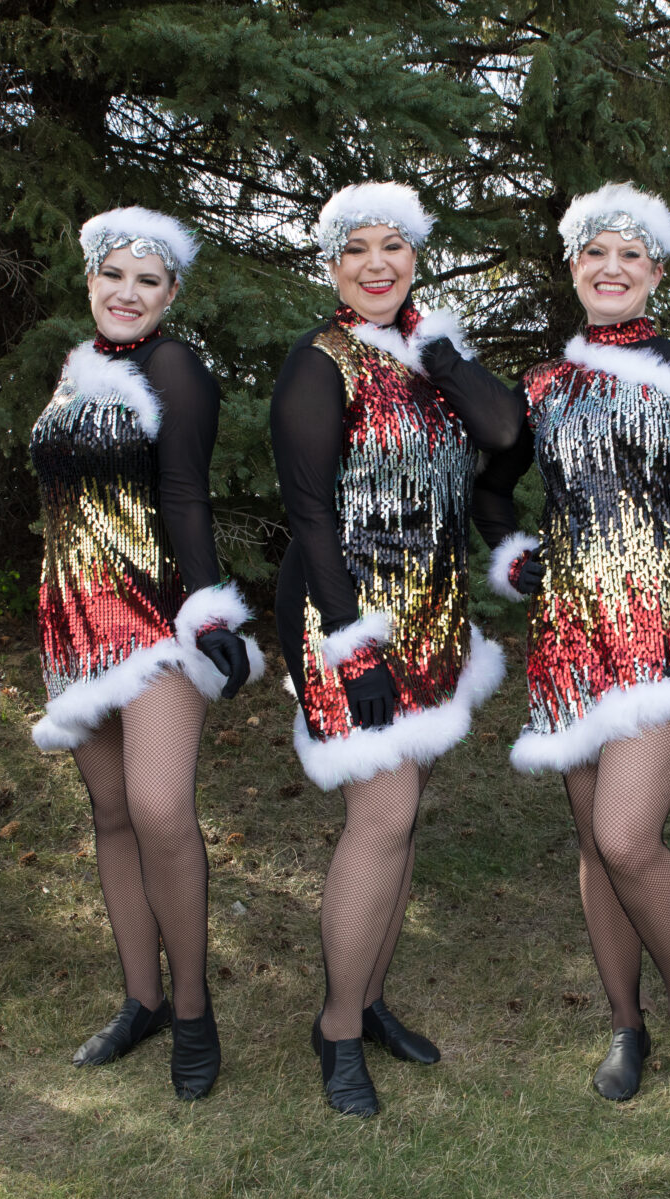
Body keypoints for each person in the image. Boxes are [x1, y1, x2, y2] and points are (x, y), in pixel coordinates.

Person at [472, 183, 670, 1105]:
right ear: (574, 268)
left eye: (632, 255)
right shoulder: (543, 385)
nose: (613, 268)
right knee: (594, 846)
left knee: (630, 837)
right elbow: (493, 483)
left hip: (664, 628)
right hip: (569, 633)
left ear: (656, 273)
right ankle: (626, 1024)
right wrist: (513, 555)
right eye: (597, 253)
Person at [273, 182, 523, 1115]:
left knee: (405, 810)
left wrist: (444, 351)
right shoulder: (318, 362)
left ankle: (371, 997)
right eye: (356, 250)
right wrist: (351, 645)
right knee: (379, 817)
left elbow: (501, 432)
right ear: (332, 266)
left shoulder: (430, 361)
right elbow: (307, 512)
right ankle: (336, 1026)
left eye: (394, 247)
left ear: (417, 257)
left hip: (435, 611)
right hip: (346, 615)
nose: (377, 264)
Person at [29, 207, 263, 1100]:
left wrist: (209, 615)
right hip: (70, 622)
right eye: (113, 275)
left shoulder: (175, 368)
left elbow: (186, 497)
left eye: (148, 279)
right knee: (113, 817)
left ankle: (195, 1010)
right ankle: (141, 997)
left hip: (154, 620)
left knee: (160, 809)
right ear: (89, 280)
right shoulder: (75, 369)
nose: (127, 292)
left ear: (173, 293)